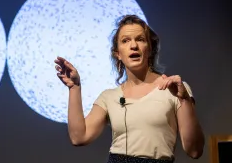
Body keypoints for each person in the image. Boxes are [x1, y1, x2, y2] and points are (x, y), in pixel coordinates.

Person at [54, 15, 205, 163]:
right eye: (125, 41)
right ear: (118, 54)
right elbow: (79, 137)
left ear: (150, 49)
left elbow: (195, 150)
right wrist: (74, 88)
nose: (133, 45)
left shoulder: (175, 89)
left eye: (140, 39)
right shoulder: (109, 96)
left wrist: (184, 99)